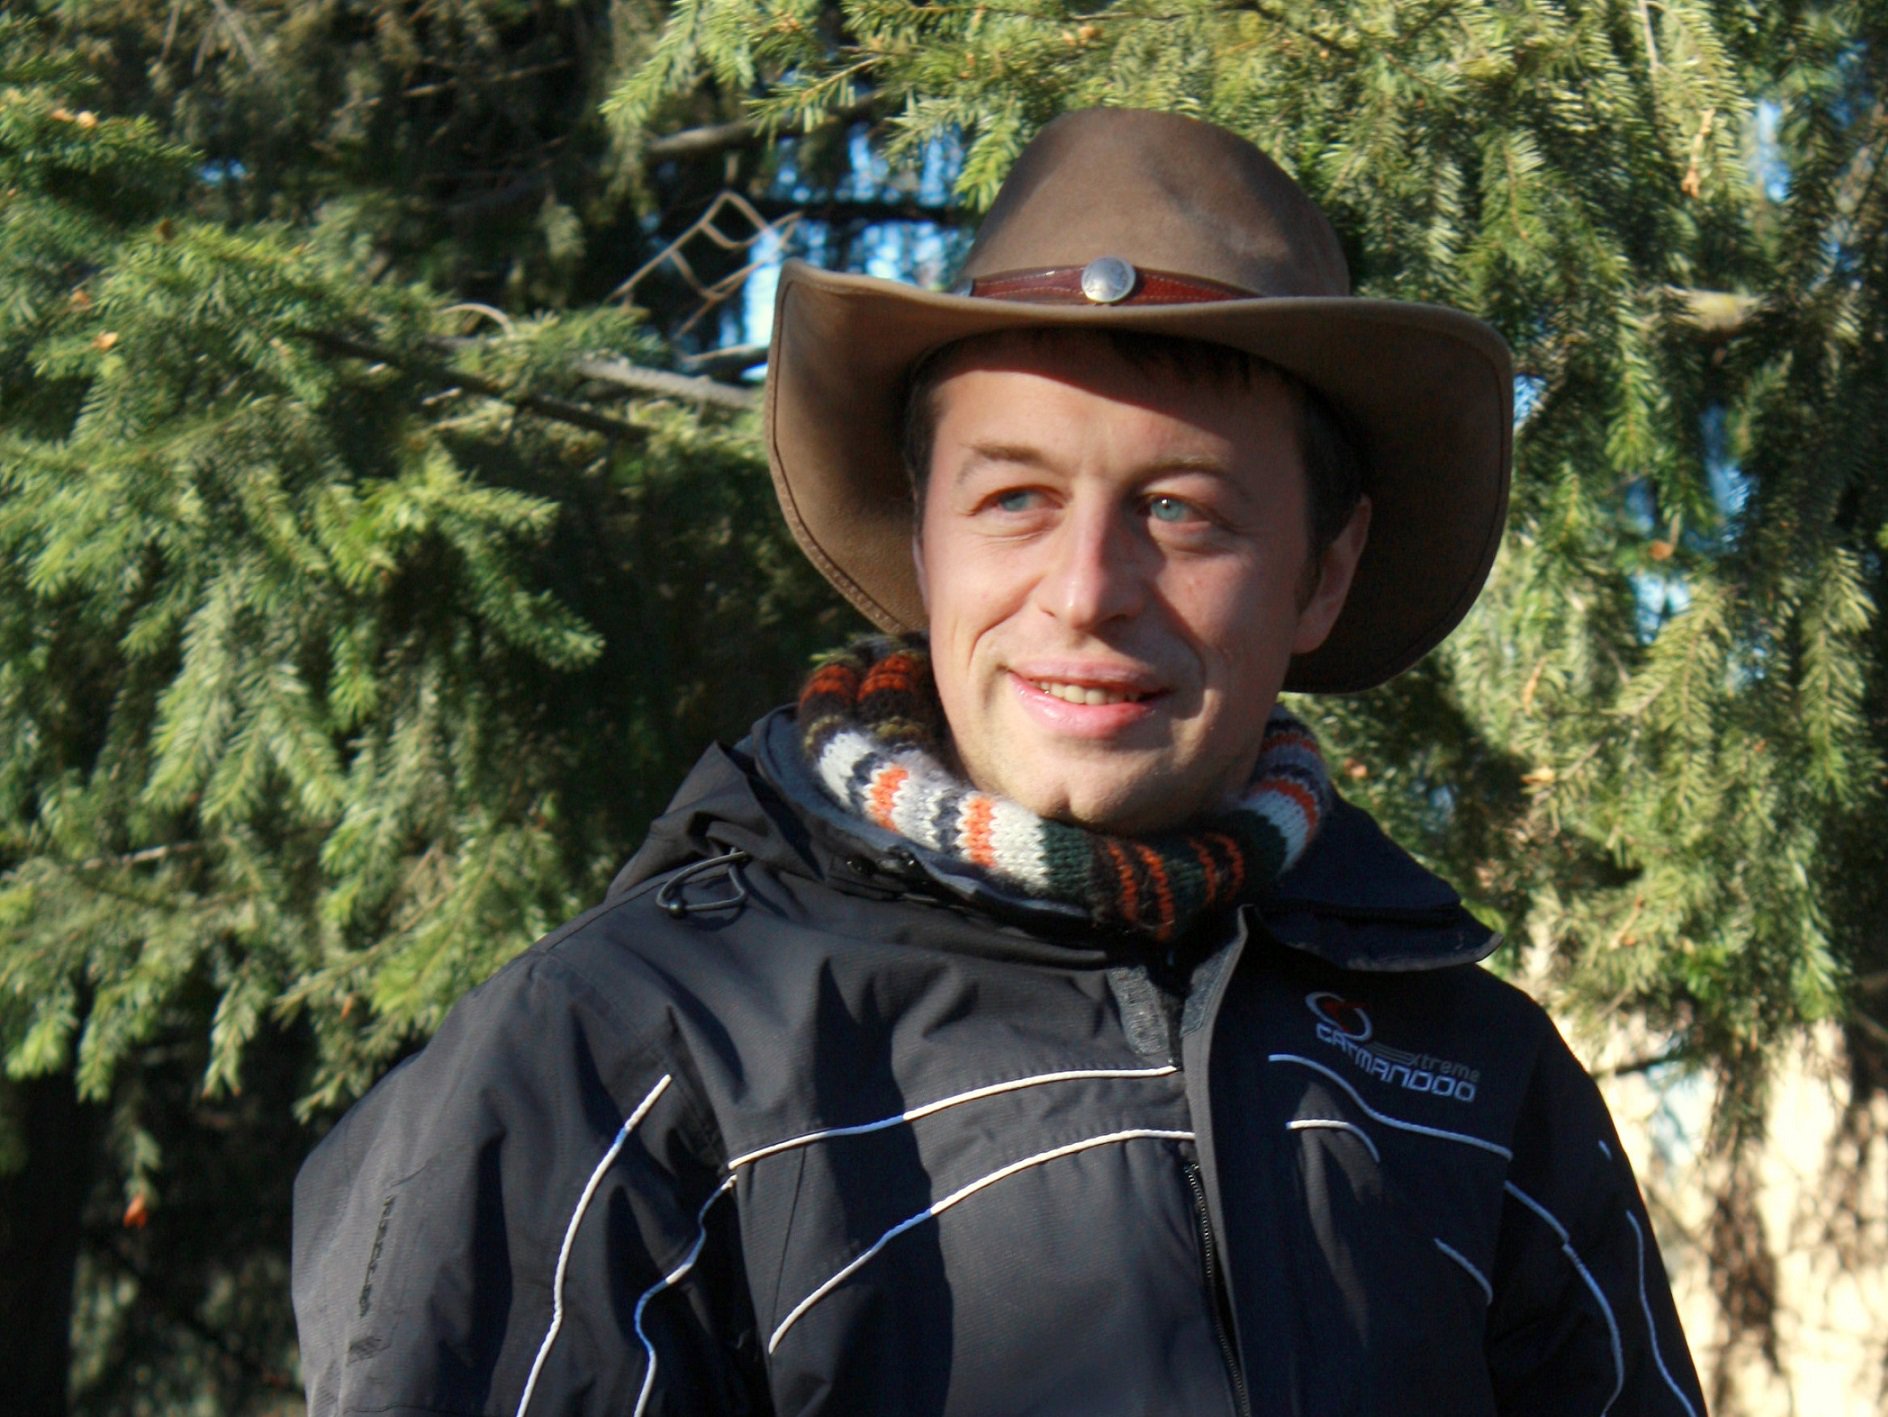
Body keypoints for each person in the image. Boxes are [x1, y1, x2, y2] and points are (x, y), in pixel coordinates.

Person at [292, 109, 1707, 1416]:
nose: (1086, 591)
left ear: (1322, 574)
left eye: (1183, 510)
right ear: (924, 539)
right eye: (1015, 497)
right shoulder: (634, 1049)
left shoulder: (1475, 1077)